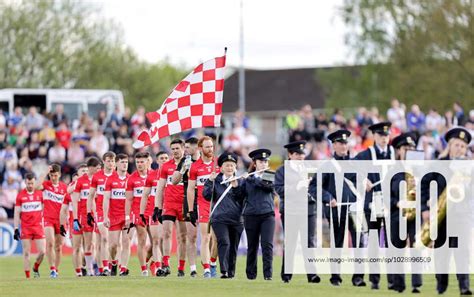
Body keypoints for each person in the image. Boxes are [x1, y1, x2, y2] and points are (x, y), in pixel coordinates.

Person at [310, 129, 365, 287]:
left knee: (359, 243)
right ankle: (335, 277)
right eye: (340, 143)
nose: (343, 146)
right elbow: (313, 187)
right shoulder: (327, 166)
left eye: (345, 142)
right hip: (336, 211)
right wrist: (329, 198)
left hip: (355, 209)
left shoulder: (355, 164)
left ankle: (358, 277)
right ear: (333, 145)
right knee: (337, 244)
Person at [422, 127, 472, 295]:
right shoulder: (437, 164)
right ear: (449, 145)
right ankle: (441, 285)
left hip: (461, 215)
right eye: (457, 145)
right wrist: (424, 208)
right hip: (441, 215)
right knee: (442, 252)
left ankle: (464, 286)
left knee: (462, 251)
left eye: (463, 147)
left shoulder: (468, 167)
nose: (460, 149)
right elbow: (423, 186)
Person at [354, 121, 394, 290]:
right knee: (374, 243)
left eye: (386, 135)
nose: (384, 138)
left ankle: (393, 279)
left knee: (394, 243)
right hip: (373, 203)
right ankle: (375, 279)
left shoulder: (395, 152)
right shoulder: (367, 154)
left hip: (392, 203)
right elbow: (351, 167)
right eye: (380, 135)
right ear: (374, 136)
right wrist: (363, 179)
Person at [275, 140, 320, 283]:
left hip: (308, 210)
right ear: (290, 155)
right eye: (297, 154)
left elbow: (318, 186)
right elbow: (279, 190)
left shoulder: (310, 167)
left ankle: (311, 275)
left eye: (302, 154)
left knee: (309, 243)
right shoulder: (282, 170)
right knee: (291, 243)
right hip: (291, 211)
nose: (301, 157)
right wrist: (297, 186)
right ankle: (286, 275)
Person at [389, 132, 422, 293]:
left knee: (416, 247)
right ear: (398, 151)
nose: (409, 150)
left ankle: (416, 283)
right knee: (397, 249)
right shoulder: (391, 171)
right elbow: (385, 196)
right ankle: (398, 284)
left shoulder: (419, 169)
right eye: (405, 147)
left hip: (415, 215)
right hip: (397, 216)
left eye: (411, 147)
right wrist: (396, 202)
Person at [203, 152, 244, 279]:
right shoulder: (215, 180)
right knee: (224, 242)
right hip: (219, 218)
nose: (229, 168)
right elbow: (207, 196)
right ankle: (224, 271)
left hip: (237, 219)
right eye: (227, 165)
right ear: (221, 167)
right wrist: (209, 182)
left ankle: (231, 272)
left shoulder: (241, 181)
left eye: (232, 165)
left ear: (235, 167)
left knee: (233, 246)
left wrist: (237, 187)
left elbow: (242, 198)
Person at [186, 136, 220, 278]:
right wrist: (190, 210)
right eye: (207, 147)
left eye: (211, 146)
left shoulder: (218, 163)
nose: (210, 149)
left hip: (218, 205)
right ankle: (206, 269)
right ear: (200, 148)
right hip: (203, 205)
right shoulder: (195, 167)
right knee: (205, 237)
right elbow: (190, 189)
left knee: (217, 238)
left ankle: (212, 262)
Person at [154, 138, 188, 277]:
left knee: (182, 237)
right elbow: (160, 187)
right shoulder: (166, 166)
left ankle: (181, 268)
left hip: (184, 204)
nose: (175, 151)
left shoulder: (189, 164)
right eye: (172, 149)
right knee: (166, 233)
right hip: (169, 204)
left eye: (177, 148)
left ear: (183, 148)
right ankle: (166, 264)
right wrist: (157, 206)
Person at [242, 148, 275, 280]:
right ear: (255, 163)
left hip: (267, 215)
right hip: (250, 215)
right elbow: (240, 195)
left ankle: (268, 275)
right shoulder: (247, 179)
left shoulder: (269, 175)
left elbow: (268, 187)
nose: (264, 164)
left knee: (267, 245)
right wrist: (236, 184)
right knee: (252, 246)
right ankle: (251, 275)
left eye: (265, 161)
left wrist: (251, 179)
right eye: (261, 161)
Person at [171, 137, 200, 277]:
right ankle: (193, 268)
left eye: (187, 147)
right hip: (189, 201)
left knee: (210, 237)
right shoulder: (184, 161)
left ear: (196, 148)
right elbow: (174, 181)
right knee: (191, 236)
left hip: (206, 201)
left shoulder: (206, 161)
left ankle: (210, 266)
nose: (185, 150)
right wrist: (183, 169)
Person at [36, 164, 70, 278]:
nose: (53, 178)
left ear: (59, 175)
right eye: (51, 175)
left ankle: (56, 269)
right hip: (48, 218)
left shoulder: (64, 188)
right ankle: (52, 269)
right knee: (50, 243)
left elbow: (68, 204)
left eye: (55, 175)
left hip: (60, 220)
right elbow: (36, 186)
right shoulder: (46, 185)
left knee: (58, 247)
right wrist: (45, 171)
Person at [86, 151, 117, 276]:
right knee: (105, 238)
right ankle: (104, 268)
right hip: (99, 211)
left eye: (112, 161)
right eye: (108, 160)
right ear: (104, 162)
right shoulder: (97, 177)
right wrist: (89, 212)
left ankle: (110, 265)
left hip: (114, 212)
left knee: (109, 243)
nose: (111, 163)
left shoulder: (117, 175)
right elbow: (91, 196)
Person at [139, 151, 169, 276]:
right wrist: (142, 213)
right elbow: (145, 195)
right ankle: (158, 267)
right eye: (161, 158)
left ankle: (161, 263)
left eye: (166, 158)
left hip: (169, 211)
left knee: (164, 239)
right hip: (155, 211)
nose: (164, 160)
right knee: (156, 241)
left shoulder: (174, 175)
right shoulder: (151, 176)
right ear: (157, 161)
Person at [71, 157, 101, 276]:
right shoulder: (81, 181)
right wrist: (75, 219)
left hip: (98, 214)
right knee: (88, 244)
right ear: (91, 168)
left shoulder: (99, 180)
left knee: (96, 243)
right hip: (85, 215)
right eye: (97, 168)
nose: (99, 170)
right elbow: (74, 201)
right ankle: (89, 269)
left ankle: (98, 267)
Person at [102, 153, 130, 276]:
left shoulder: (131, 179)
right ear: (117, 164)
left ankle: (123, 268)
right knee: (113, 245)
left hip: (127, 216)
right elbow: (106, 198)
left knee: (126, 242)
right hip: (114, 216)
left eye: (126, 162)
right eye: (122, 162)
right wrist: (105, 216)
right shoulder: (110, 180)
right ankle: (113, 262)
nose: (125, 164)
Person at [13, 173, 45, 279]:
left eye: (32, 183)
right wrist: (16, 228)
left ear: (34, 182)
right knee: (26, 253)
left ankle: (36, 267)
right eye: (28, 183)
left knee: (42, 252)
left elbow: (44, 208)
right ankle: (28, 278)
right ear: (25, 182)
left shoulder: (40, 194)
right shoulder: (20, 195)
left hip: (38, 226)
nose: (30, 185)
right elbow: (17, 213)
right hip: (26, 228)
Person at [125, 152, 150, 276]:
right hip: (138, 212)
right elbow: (129, 199)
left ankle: (155, 264)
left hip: (152, 211)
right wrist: (128, 216)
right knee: (142, 240)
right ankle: (144, 269)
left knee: (157, 240)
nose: (139, 164)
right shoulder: (132, 178)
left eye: (142, 162)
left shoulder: (154, 176)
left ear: (147, 162)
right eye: (138, 162)